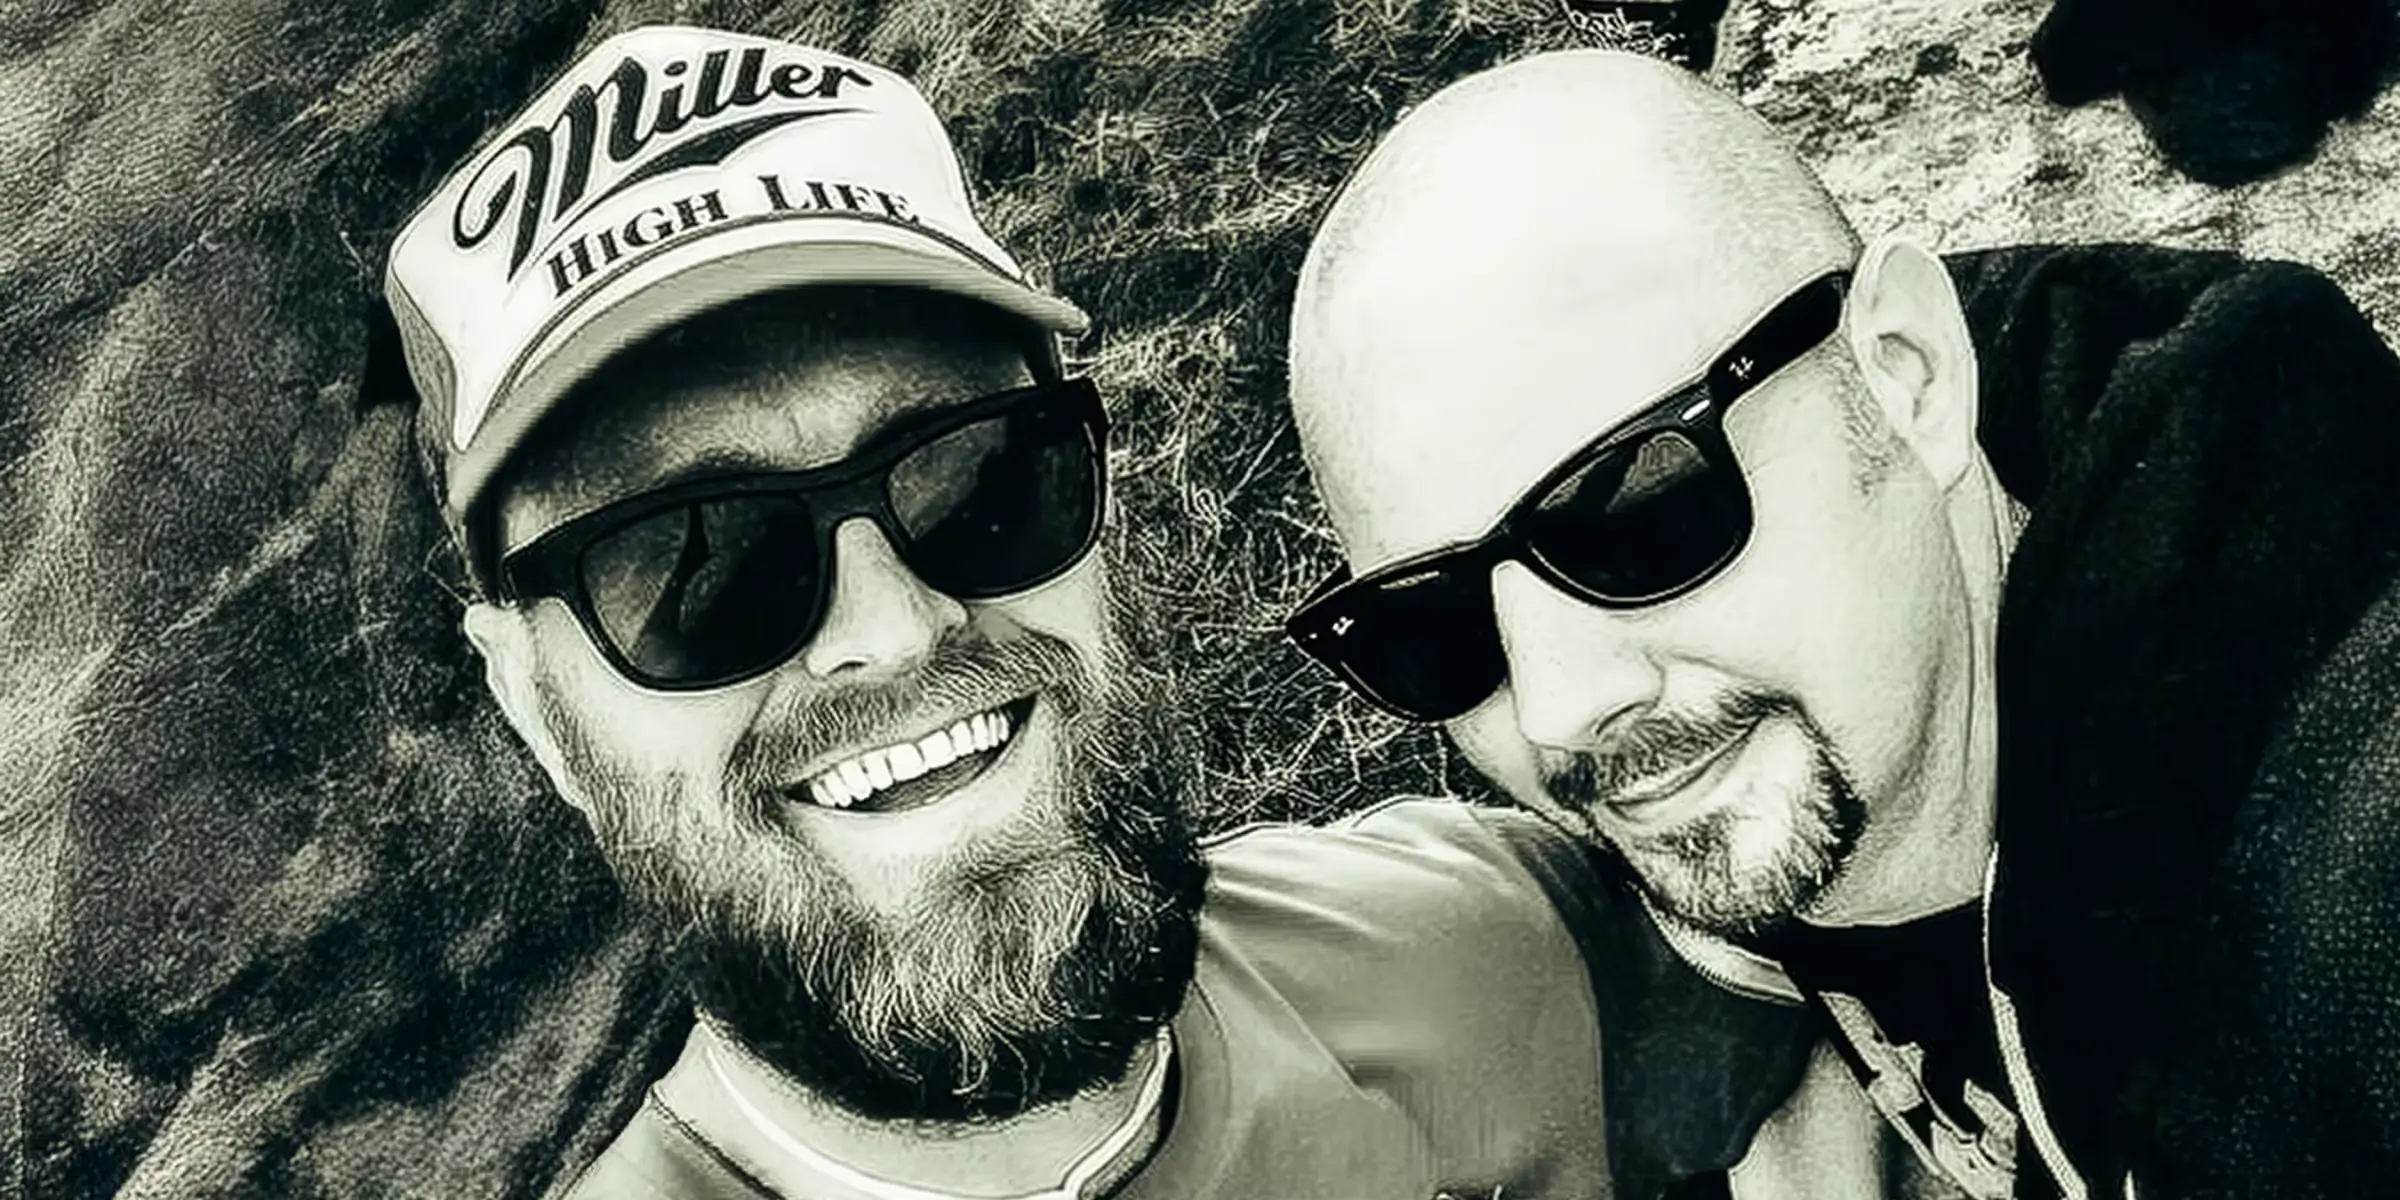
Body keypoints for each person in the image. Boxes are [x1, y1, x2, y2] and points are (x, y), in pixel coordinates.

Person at [382, 24, 1627, 1199]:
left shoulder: (1505, 948)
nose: (893, 626)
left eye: (973, 481)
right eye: (698, 565)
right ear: (535, 709)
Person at [1284, 49, 2400, 1200]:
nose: (1560, 706)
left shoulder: (2349, 869)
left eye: (1632, 516)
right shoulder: (1798, 782)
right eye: (1434, 624)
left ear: (1909, 375)